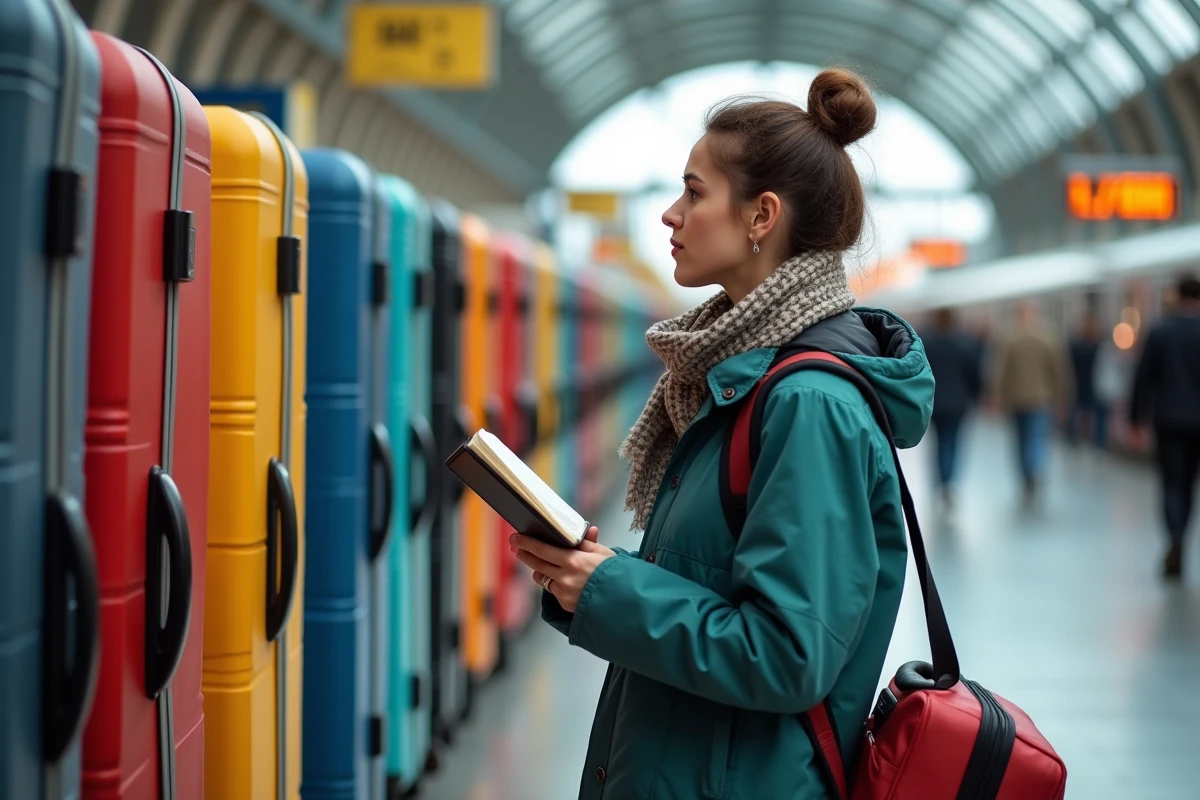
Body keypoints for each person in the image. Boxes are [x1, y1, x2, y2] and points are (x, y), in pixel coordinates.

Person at [510, 69, 934, 799]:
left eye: (694, 192)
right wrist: (597, 573)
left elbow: (785, 654)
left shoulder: (807, 403)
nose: (670, 216)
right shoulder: (742, 380)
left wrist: (610, 591)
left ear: (761, 216)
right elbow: (718, 582)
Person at [1130, 274, 1200, 580]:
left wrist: (1136, 418)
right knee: (1189, 484)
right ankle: (1183, 533)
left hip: (1168, 418)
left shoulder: (1160, 332)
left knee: (1171, 482)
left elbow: (1143, 378)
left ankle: (1175, 537)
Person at [990, 300, 1073, 504]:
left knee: (1020, 440)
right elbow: (1059, 369)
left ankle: (1027, 474)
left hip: (1015, 397)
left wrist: (996, 394)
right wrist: (1063, 395)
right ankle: (1035, 468)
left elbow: (999, 369)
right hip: (1041, 398)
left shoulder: (1009, 336)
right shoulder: (1049, 335)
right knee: (1037, 437)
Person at [921, 307, 982, 508]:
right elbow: (974, 373)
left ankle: (941, 480)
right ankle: (949, 481)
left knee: (939, 442)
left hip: (935, 403)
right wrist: (976, 396)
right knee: (953, 441)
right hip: (958, 403)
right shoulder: (963, 344)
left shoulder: (927, 344)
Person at [1067, 312, 1105, 447]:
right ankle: (1098, 441)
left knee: (1077, 411)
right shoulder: (1098, 344)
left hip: (1080, 382)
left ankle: (1073, 437)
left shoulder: (1075, 344)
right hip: (1095, 383)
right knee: (1097, 414)